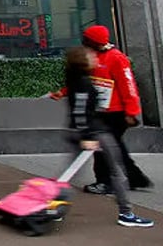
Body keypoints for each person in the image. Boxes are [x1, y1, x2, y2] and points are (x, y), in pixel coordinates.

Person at [64, 46, 153, 227]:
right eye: (91, 56)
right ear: (83, 62)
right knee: (116, 172)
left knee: (71, 174)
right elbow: (81, 111)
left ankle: (50, 204)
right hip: (96, 132)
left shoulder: (76, 80)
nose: (95, 58)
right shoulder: (84, 83)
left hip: (85, 131)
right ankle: (126, 213)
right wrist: (88, 135)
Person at [77, 25, 153, 195]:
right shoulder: (93, 56)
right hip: (101, 111)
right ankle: (135, 178)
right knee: (114, 147)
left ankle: (106, 182)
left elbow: (128, 86)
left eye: (86, 40)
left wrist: (131, 112)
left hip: (115, 113)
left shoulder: (116, 58)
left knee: (103, 148)